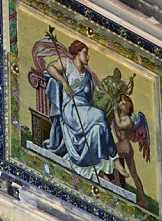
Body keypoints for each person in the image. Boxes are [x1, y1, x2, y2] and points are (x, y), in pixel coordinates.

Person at [42, 39, 117, 181]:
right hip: (71, 109)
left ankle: (96, 166)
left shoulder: (88, 77)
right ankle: (115, 156)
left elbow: (89, 100)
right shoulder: (67, 63)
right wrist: (64, 82)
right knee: (100, 115)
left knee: (97, 128)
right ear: (76, 53)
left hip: (84, 111)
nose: (88, 57)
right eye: (85, 53)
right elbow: (51, 68)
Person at [111, 93, 149, 207]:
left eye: (124, 104)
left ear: (128, 109)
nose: (121, 104)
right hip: (123, 146)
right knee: (133, 173)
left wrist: (114, 111)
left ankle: (119, 190)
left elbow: (119, 124)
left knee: (110, 155)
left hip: (125, 146)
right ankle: (141, 199)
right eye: (121, 102)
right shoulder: (118, 114)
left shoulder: (128, 120)